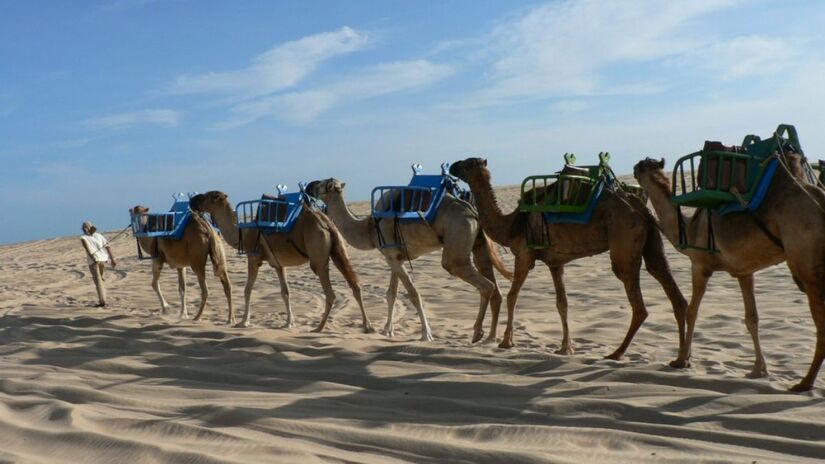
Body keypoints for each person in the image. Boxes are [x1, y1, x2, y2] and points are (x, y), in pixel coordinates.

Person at [80, 221, 116, 307]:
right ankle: (103, 299)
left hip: (97, 261)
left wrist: (113, 259)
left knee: (99, 280)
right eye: (84, 227)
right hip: (98, 259)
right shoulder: (83, 237)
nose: (85, 228)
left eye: (86, 227)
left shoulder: (98, 235)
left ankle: (102, 301)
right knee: (101, 280)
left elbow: (108, 247)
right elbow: (87, 248)